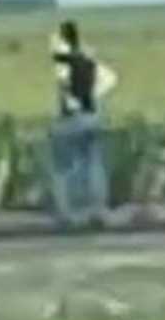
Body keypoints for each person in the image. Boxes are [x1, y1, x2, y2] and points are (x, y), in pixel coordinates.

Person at [48, 21, 119, 229]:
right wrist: (93, 97)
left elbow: (64, 86)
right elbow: (110, 78)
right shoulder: (87, 58)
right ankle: (97, 210)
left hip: (73, 117)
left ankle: (69, 212)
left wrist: (73, 101)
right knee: (93, 163)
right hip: (92, 115)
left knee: (64, 166)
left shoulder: (63, 63)